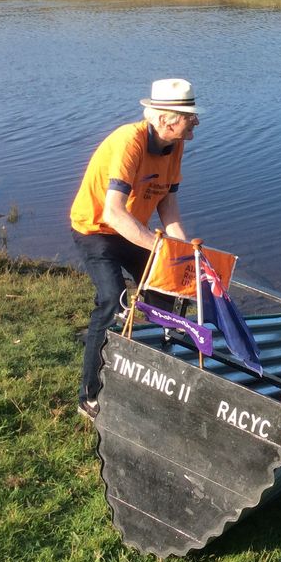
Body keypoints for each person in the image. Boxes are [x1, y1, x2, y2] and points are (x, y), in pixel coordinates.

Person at [70, 78, 202, 419]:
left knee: (169, 288)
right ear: (165, 119)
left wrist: (184, 253)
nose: (196, 123)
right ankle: (89, 395)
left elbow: (168, 207)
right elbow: (114, 212)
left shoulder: (175, 145)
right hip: (97, 229)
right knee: (112, 300)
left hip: (134, 231)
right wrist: (159, 250)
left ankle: (158, 374)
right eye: (190, 117)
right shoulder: (130, 141)